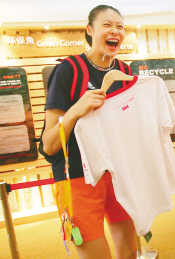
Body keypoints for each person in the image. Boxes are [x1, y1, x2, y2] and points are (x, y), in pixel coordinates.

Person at [40, 5, 137, 259]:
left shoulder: (126, 73)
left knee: (129, 253)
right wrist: (75, 110)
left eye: (120, 26)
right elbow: (49, 145)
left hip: (117, 174)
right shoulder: (68, 70)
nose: (115, 30)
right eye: (107, 25)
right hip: (76, 178)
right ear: (89, 30)